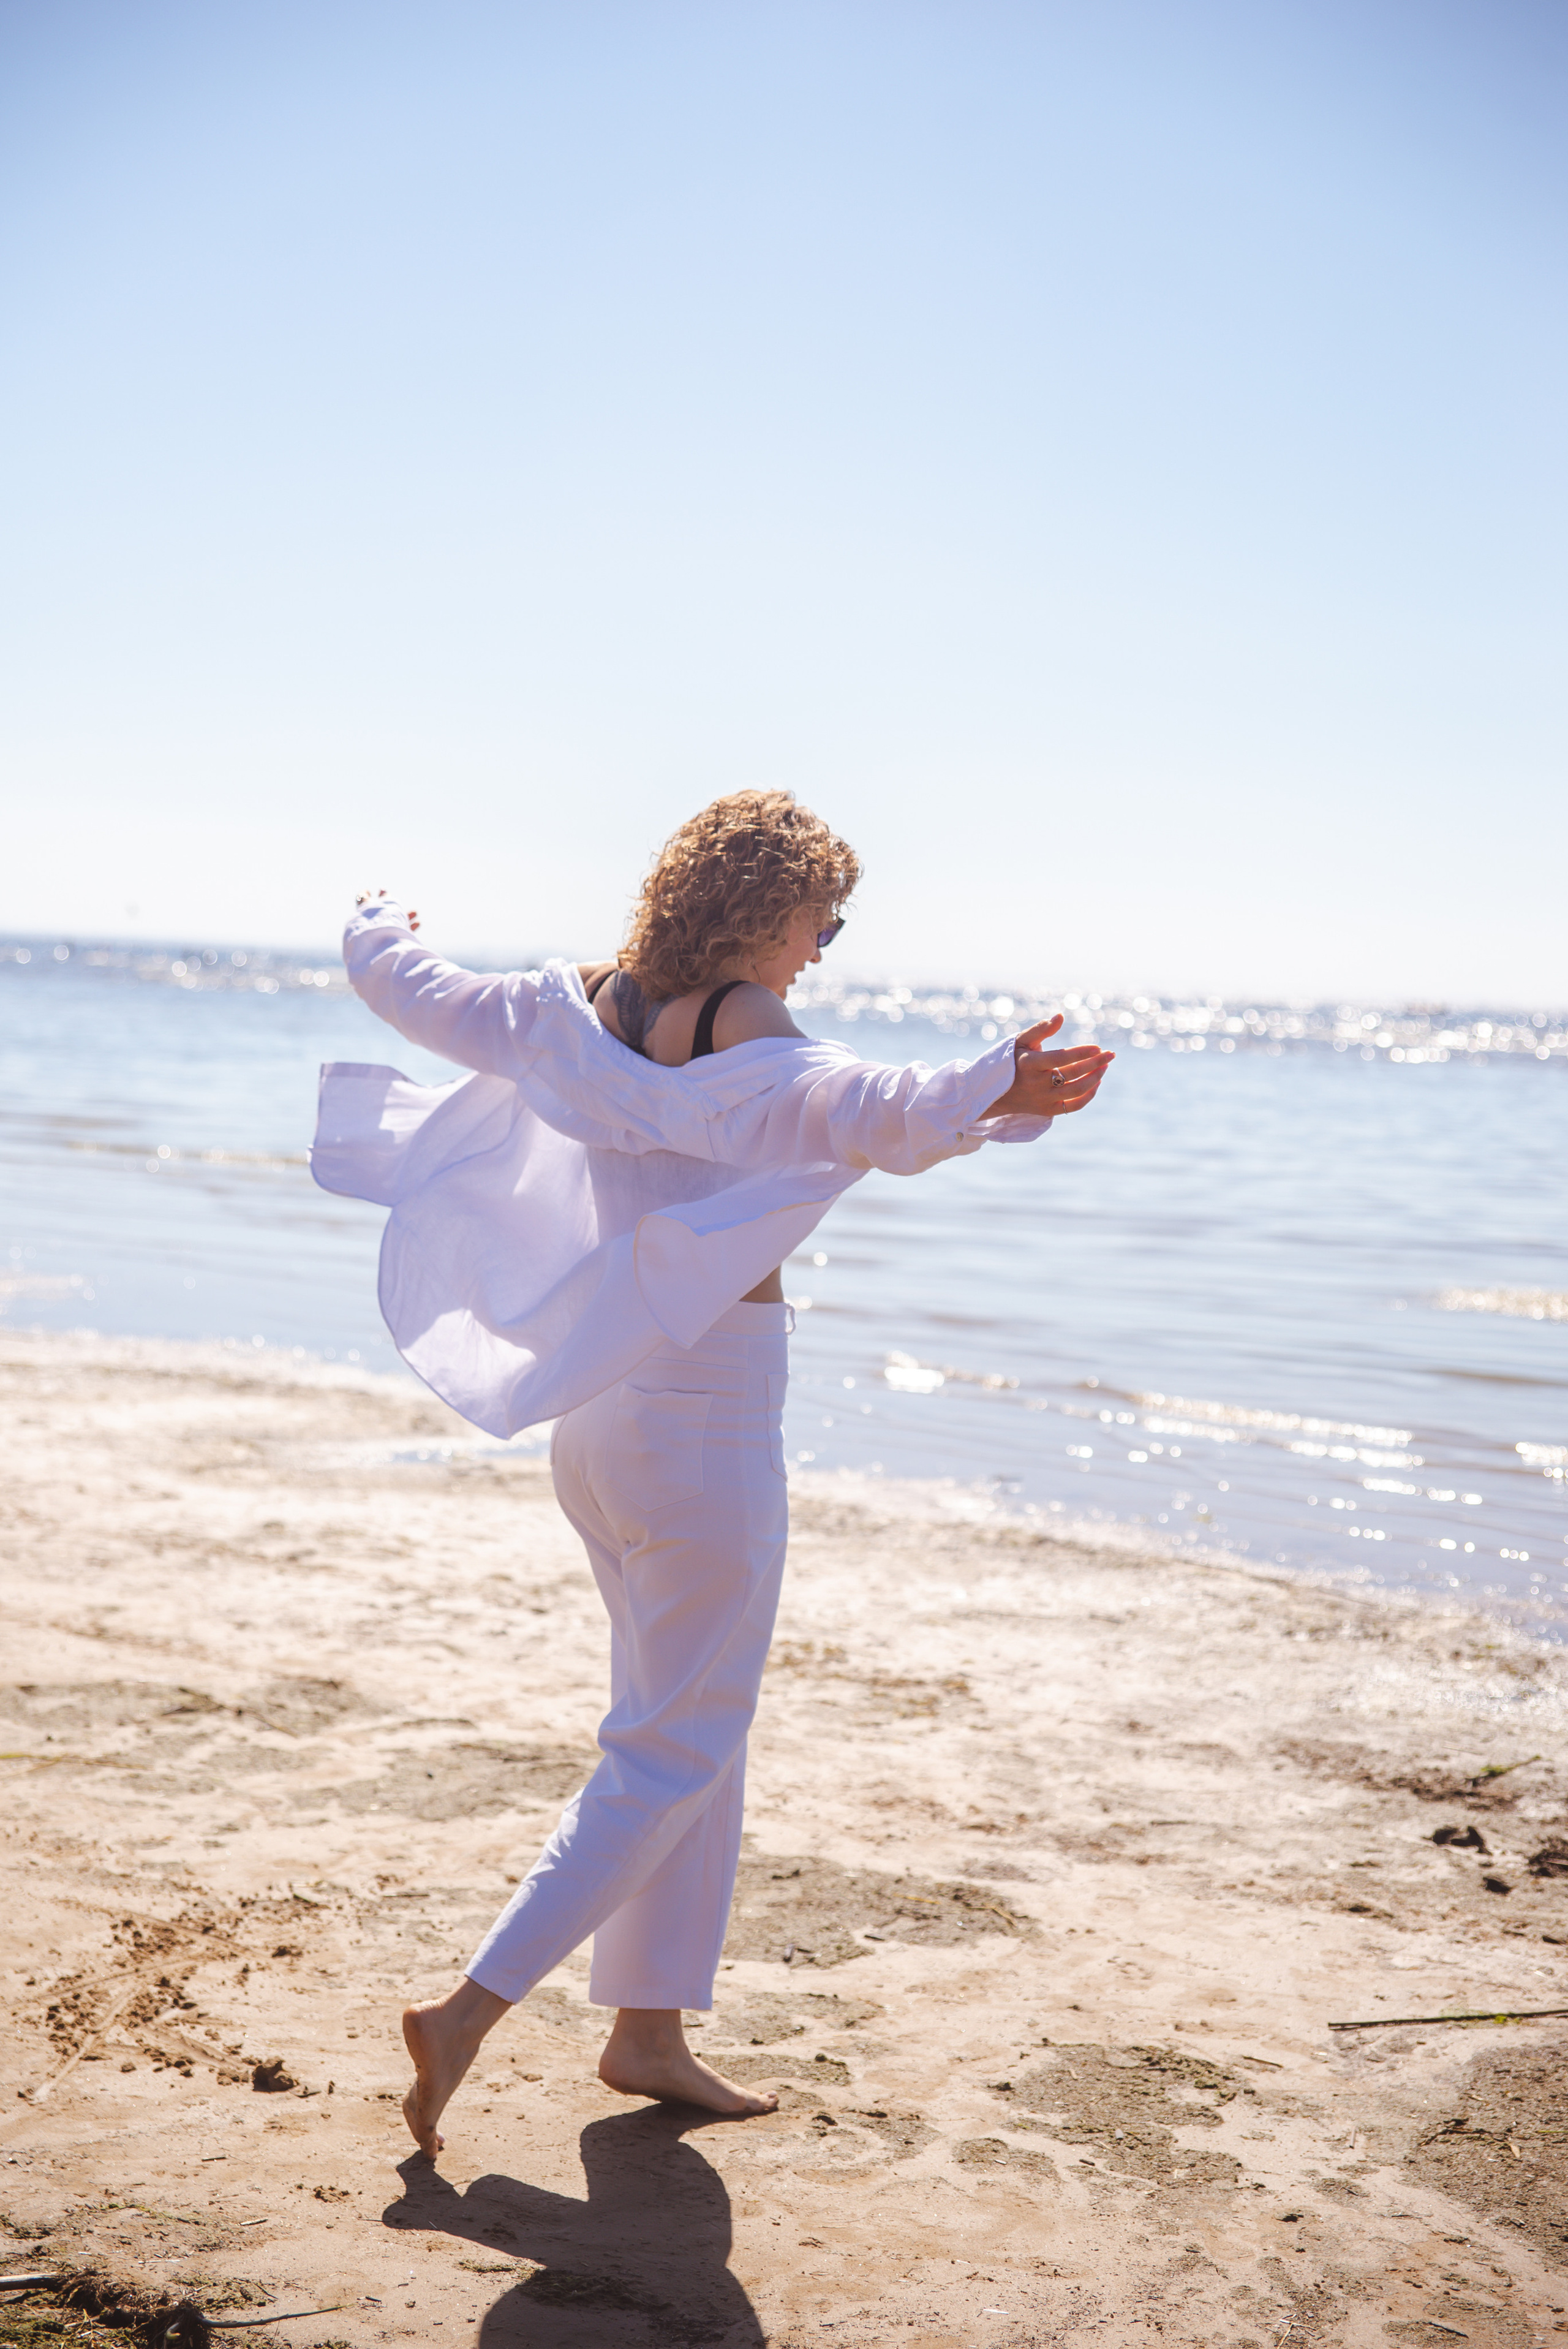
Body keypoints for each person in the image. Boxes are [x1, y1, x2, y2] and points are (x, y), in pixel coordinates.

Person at [312, 789, 1112, 2158]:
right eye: (822, 920)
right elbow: (870, 1105)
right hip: (703, 1421)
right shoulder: (757, 1039)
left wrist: (378, 920)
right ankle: (467, 2011)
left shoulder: (576, 1009)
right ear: (765, 910)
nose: (823, 949)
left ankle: (649, 2033)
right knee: (672, 1741)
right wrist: (998, 1084)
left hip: (601, 1422)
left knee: (693, 1729)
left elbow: (412, 989)